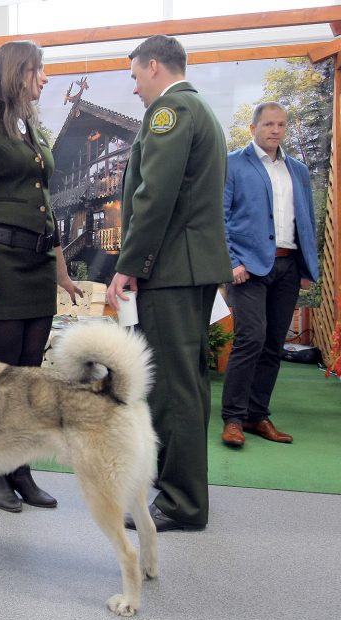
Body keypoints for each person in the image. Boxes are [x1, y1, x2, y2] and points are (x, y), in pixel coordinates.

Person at [105, 35, 232, 531]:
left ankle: (181, 502)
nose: (135, 88)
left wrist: (128, 263)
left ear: (154, 66)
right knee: (189, 383)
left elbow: (153, 196)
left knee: (173, 388)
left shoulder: (170, 112)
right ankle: (184, 489)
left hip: (171, 270)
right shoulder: (198, 111)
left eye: (136, 76)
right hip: (190, 266)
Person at [0, 40, 84, 513]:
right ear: (16, 72)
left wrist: (62, 270)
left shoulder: (28, 127)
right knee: (0, 376)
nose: (44, 78)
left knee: (29, 375)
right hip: (1, 264)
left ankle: (21, 469)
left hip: (34, 266)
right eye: (38, 70)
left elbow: (43, 203)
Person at [220, 102, 320, 447]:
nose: (275, 130)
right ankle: (232, 418)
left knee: (274, 344)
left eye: (280, 125)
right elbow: (220, 217)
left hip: (288, 266)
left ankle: (257, 415)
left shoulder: (298, 170)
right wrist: (231, 263)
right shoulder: (232, 164)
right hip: (248, 268)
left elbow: (306, 221)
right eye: (267, 124)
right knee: (251, 338)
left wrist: (307, 267)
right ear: (253, 128)